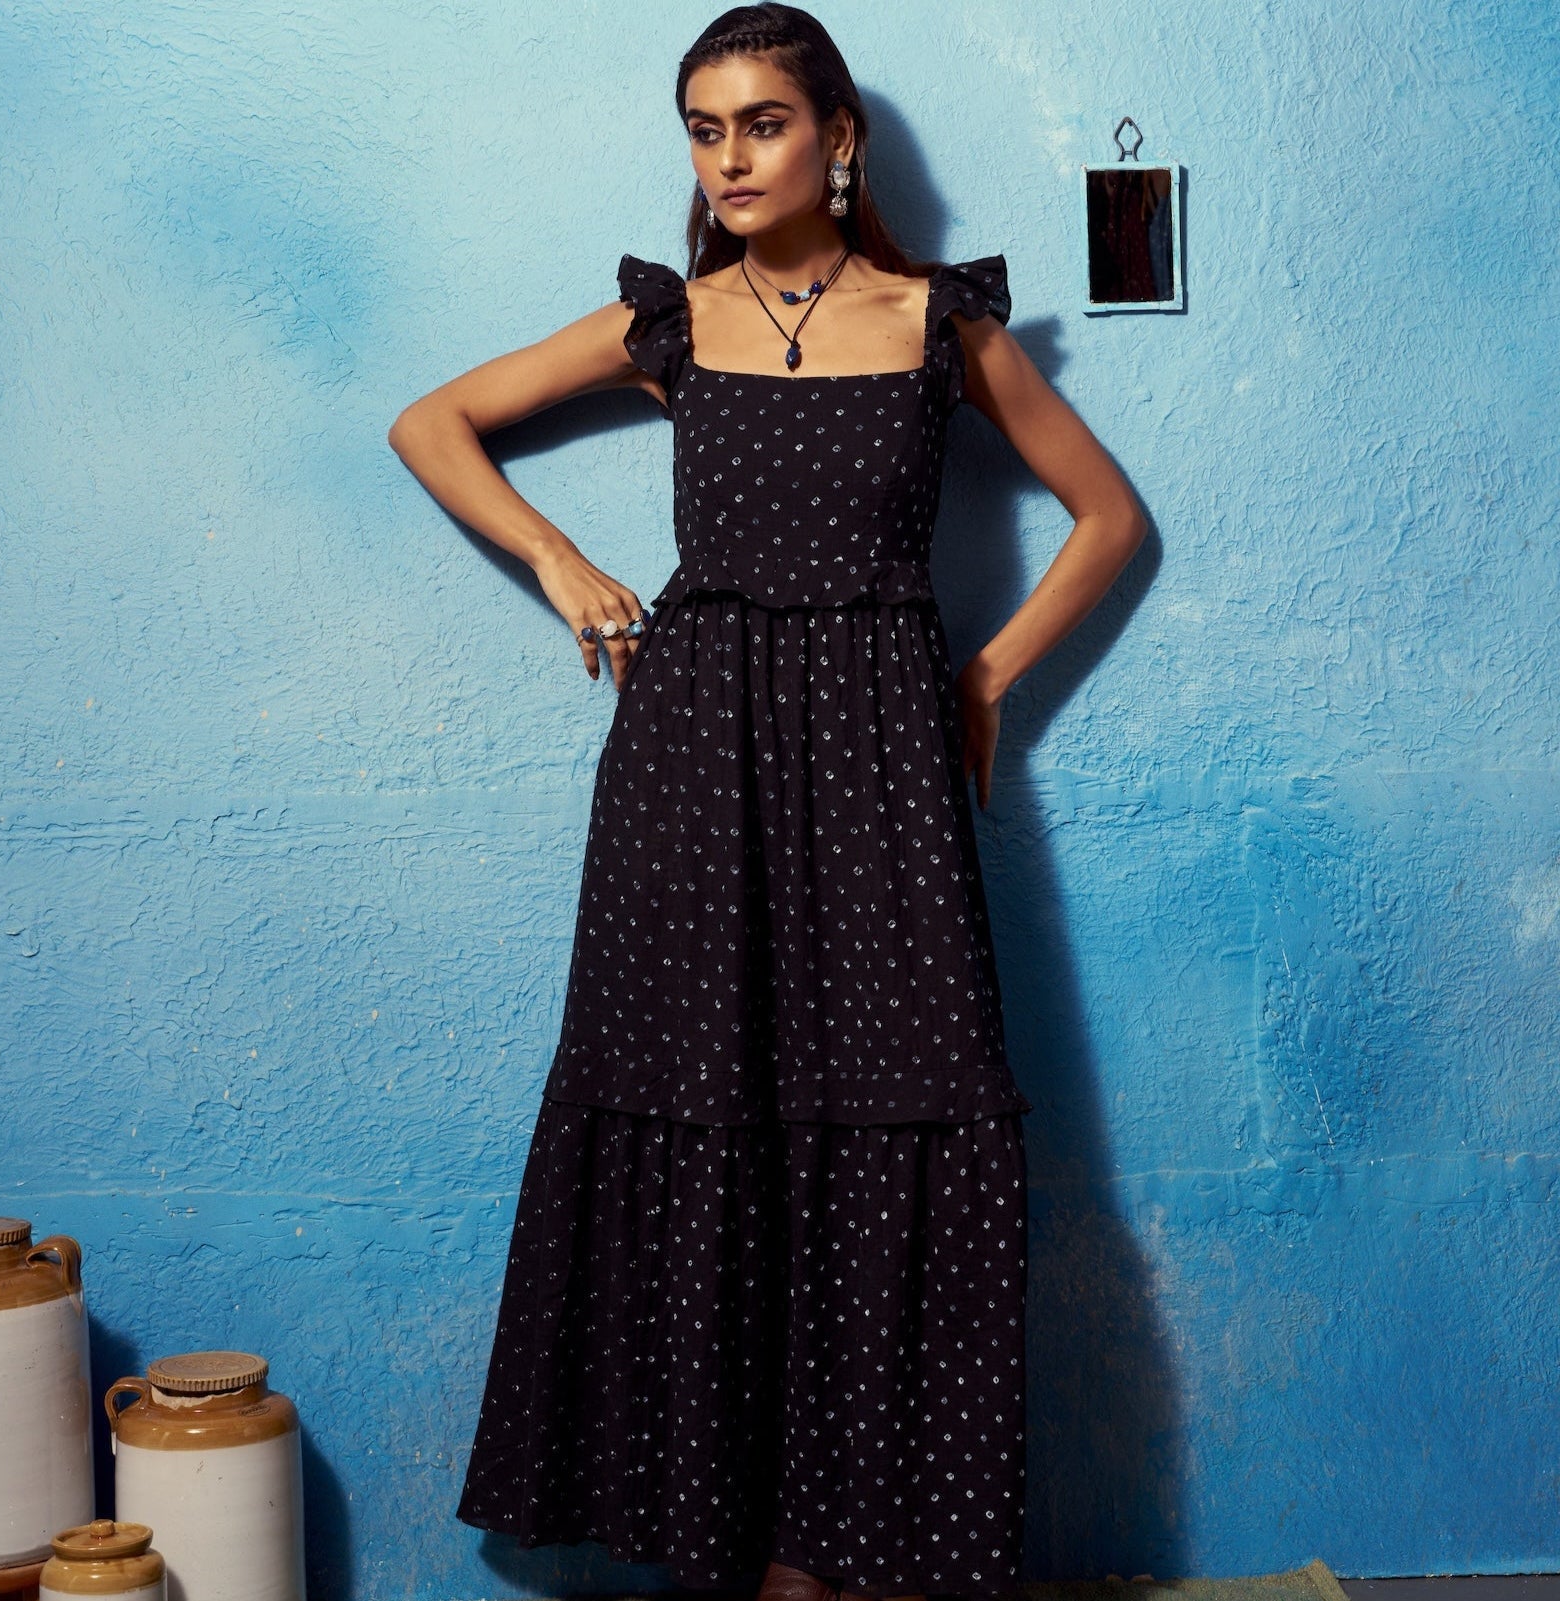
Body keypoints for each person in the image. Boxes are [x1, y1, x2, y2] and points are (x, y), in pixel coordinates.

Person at [387, 6, 1147, 1599]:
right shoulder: (674, 320)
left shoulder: (940, 324)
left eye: (762, 123)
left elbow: (1106, 517)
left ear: (837, 137)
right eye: (702, 128)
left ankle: (859, 1540)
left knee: (898, 1104)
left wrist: (987, 679)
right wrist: (561, 561)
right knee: (701, 1105)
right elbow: (430, 424)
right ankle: (730, 1542)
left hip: (881, 757)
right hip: (693, 757)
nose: (728, 158)